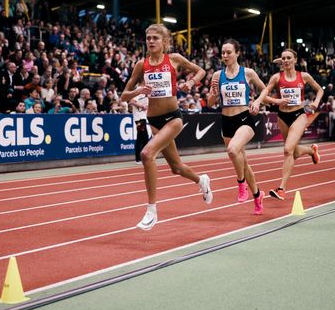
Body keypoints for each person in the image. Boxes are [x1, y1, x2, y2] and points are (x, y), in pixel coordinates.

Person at [121, 23, 212, 231]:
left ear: (165, 42)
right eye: (148, 38)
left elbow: (200, 71)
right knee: (176, 168)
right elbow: (124, 95)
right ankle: (202, 180)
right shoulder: (140, 65)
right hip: (153, 121)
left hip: (173, 117)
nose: (150, 41)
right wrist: (138, 91)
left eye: (155, 38)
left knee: (146, 154)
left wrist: (190, 83)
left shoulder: (174, 59)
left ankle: (151, 211)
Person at [207, 38, 268, 215]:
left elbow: (264, 89)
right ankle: (258, 196)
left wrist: (257, 102)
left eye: (228, 52)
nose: (225, 55)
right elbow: (211, 102)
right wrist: (214, 94)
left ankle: (241, 184)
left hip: (244, 119)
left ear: (237, 53)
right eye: (223, 53)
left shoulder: (247, 72)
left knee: (233, 150)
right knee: (245, 163)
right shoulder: (217, 76)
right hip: (226, 121)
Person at [265, 48, 324, 200]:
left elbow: (319, 90)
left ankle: (281, 189)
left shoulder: (303, 76)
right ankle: (311, 151)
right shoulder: (276, 78)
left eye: (288, 58)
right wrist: (273, 101)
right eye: (283, 58)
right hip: (282, 116)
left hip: (299, 114)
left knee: (287, 150)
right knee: (294, 152)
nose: (285, 60)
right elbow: (263, 96)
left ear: (295, 60)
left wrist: (316, 102)